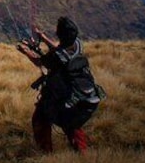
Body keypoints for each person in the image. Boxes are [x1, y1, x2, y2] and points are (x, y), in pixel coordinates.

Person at [16, 16, 103, 154]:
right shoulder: (77, 44)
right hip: (84, 97)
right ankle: (83, 155)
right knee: (71, 124)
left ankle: (46, 154)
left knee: (41, 118)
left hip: (67, 98)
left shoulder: (56, 56)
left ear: (59, 34)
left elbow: (40, 62)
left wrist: (25, 50)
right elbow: (59, 49)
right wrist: (42, 37)